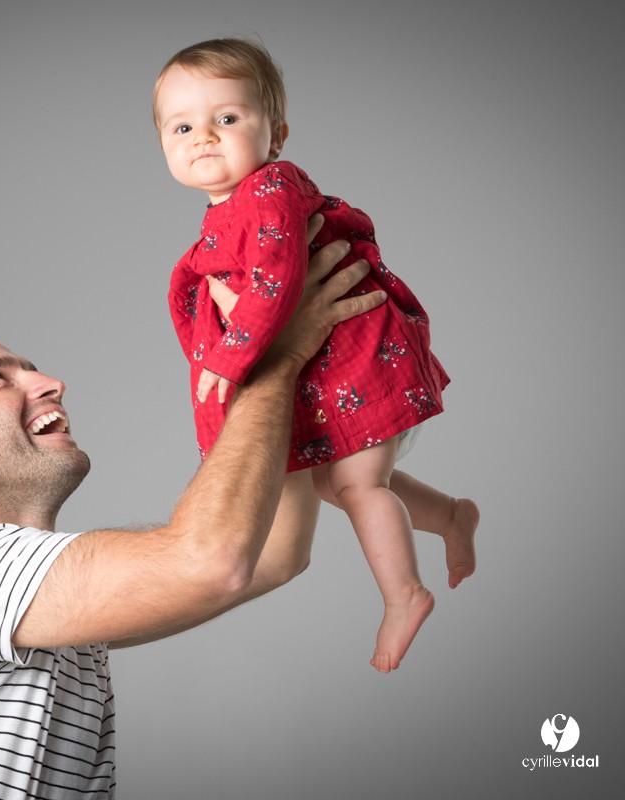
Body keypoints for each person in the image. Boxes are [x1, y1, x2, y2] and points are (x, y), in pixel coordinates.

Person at [0, 234, 381, 799]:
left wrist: (292, 356)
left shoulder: (24, 591)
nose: (51, 383)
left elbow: (275, 554)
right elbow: (212, 561)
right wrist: (277, 357)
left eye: (31, 370)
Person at [153, 36, 479, 672]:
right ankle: (451, 517)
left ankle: (404, 595)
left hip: (357, 353)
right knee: (339, 483)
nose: (204, 137)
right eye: (182, 127)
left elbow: (276, 279)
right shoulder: (227, 211)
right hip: (329, 362)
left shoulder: (270, 188)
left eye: (227, 118)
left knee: (357, 484)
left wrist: (230, 356)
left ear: (275, 135)